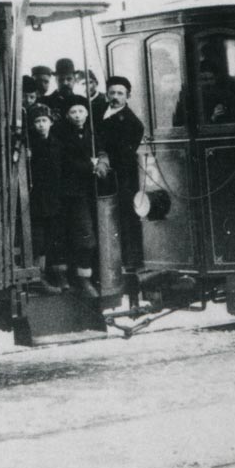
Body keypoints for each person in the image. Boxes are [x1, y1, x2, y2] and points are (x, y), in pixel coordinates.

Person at [95, 75, 146, 302]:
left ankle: (128, 275)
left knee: (124, 224)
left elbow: (123, 156)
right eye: (112, 92)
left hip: (121, 181)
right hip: (102, 176)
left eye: (120, 93)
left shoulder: (132, 123)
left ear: (128, 96)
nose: (115, 97)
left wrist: (104, 157)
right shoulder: (98, 111)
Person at [53, 97, 100, 295]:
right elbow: (67, 162)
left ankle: (85, 278)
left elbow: (102, 150)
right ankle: (64, 277)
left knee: (87, 237)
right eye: (73, 112)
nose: (78, 115)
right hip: (68, 193)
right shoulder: (60, 134)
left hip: (89, 192)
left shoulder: (92, 133)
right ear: (67, 115)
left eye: (81, 111)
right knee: (65, 235)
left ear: (87, 113)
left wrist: (101, 161)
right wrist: (91, 165)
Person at [24, 103, 64, 286]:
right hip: (37, 199)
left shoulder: (57, 144)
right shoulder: (30, 146)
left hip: (55, 197)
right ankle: (38, 275)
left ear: (51, 122)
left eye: (44, 121)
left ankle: (54, 273)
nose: (41, 125)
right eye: (37, 121)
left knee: (53, 237)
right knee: (38, 239)